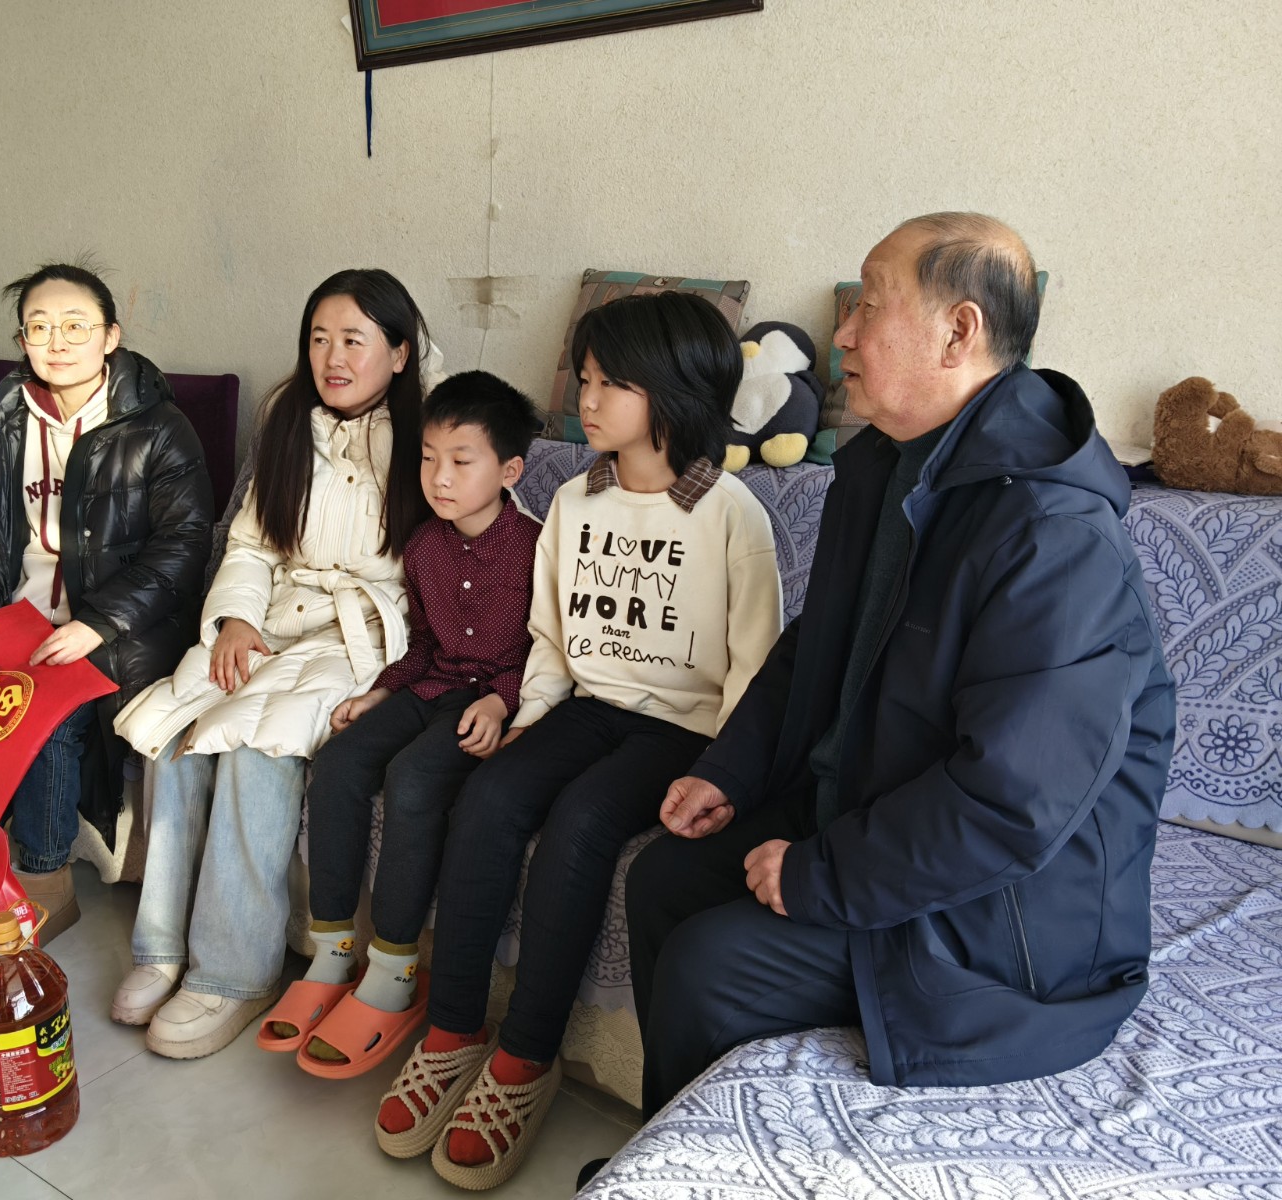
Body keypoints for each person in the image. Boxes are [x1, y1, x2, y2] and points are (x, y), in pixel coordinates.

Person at [623, 212, 1177, 1126]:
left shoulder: (1054, 534)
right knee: (660, 879)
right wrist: (730, 770)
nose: (841, 333)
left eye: (869, 307)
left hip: (1012, 911)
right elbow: (819, 645)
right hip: (880, 802)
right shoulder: (884, 463)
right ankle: (662, 1153)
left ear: (959, 332)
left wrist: (820, 876)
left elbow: (1012, 803)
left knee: (709, 967)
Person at [376, 291, 785, 1190]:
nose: (586, 401)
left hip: (684, 727)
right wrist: (526, 720)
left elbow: (757, 669)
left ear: (674, 390)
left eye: (610, 384)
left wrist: (726, 772)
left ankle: (526, 1056)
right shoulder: (573, 499)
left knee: (583, 821)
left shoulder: (730, 514)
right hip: (589, 704)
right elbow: (553, 639)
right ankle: (453, 1031)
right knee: (490, 795)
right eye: (586, 379)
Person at [109, 268, 431, 1058]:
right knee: (180, 724)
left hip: (360, 638)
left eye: (353, 339)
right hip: (275, 617)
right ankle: (161, 946)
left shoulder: (430, 433)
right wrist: (235, 620)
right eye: (318, 338)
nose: (333, 357)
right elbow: (253, 544)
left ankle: (234, 972)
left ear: (399, 351)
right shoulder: (288, 420)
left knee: (260, 747)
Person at [254, 370, 543, 1077]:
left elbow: (548, 648)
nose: (439, 477)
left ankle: (393, 967)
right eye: (429, 458)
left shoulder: (539, 547)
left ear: (509, 471)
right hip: (431, 686)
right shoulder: (425, 547)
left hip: (487, 700)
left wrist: (502, 700)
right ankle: (332, 952)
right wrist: (381, 693)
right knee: (339, 761)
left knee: (413, 779)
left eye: (461, 461)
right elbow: (423, 647)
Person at [0, 262, 214, 938]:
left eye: (75, 326)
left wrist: (97, 623)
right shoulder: (3, 423)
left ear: (110, 335)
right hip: (17, 614)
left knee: (46, 711)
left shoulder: (157, 427)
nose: (56, 342)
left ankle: (44, 879)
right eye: (39, 328)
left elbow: (182, 546)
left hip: (123, 623)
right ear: (22, 340)